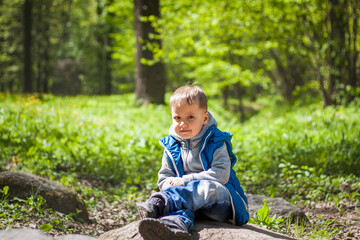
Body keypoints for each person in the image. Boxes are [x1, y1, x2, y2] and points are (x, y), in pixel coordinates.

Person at [137, 85, 249, 240]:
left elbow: (221, 175)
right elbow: (164, 178)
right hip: (189, 202)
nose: (183, 124)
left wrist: (183, 181)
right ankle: (173, 228)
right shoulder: (171, 146)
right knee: (181, 206)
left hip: (220, 201)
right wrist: (170, 184)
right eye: (177, 118)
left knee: (208, 187)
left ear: (204, 118)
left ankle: (160, 203)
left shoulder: (216, 142)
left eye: (190, 117)